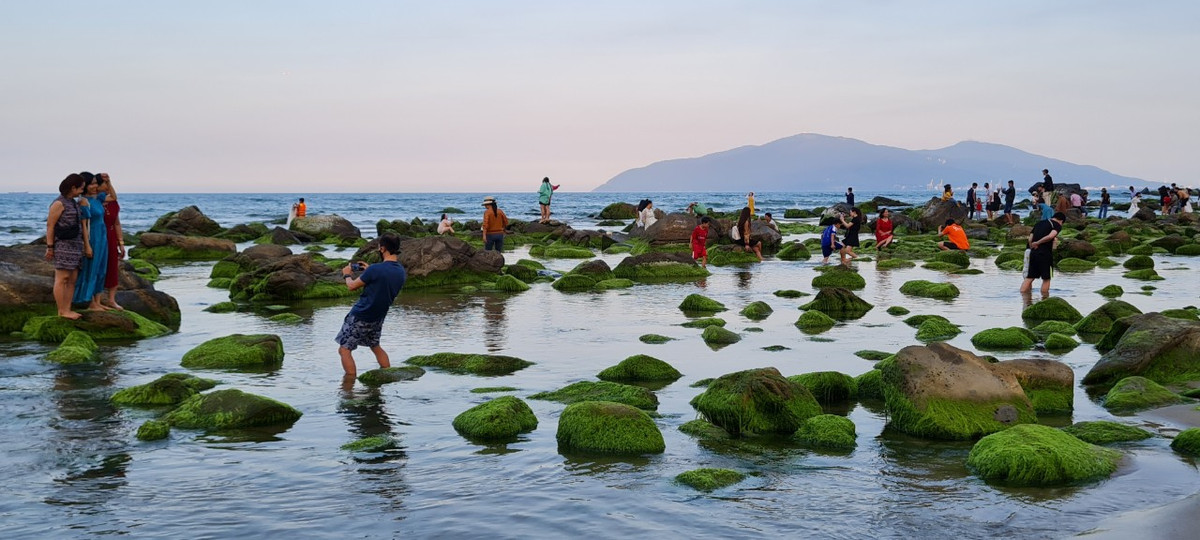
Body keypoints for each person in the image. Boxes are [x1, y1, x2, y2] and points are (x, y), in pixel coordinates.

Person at [335, 232, 407, 380]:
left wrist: (347, 274)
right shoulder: (400, 271)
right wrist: (369, 271)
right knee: (375, 346)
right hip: (378, 316)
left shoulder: (376, 269)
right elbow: (383, 279)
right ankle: (388, 375)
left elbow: (352, 286)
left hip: (361, 314)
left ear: (382, 249)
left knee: (344, 349)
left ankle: (349, 385)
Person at [45, 174, 88, 320]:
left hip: (75, 245)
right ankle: (62, 311)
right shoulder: (59, 203)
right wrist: (50, 247)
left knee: (72, 278)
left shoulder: (74, 202)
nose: (83, 190)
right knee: (62, 277)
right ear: (73, 187)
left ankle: (67, 309)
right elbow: (50, 226)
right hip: (63, 245)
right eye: (81, 187)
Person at [73, 173, 108, 310]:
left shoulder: (98, 199)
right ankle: (89, 302)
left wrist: (108, 181)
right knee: (91, 269)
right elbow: (84, 225)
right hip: (92, 237)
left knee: (101, 269)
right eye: (92, 183)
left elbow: (111, 194)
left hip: (102, 236)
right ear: (85, 186)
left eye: (96, 183)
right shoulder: (83, 201)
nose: (95, 186)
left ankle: (98, 302)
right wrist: (87, 245)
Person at [1020, 212, 1065, 296]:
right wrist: (1038, 242)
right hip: (1045, 254)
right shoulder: (1056, 225)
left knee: (1030, 277)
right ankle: (1044, 298)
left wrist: (1033, 246)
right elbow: (1051, 236)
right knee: (1047, 278)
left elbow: (1030, 239)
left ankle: (1023, 297)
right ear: (1061, 221)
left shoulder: (1039, 223)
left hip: (1033, 253)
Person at [99, 173, 125, 310]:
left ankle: (111, 300)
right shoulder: (94, 201)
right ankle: (95, 299)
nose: (106, 187)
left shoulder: (112, 202)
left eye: (108, 184)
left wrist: (120, 242)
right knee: (98, 266)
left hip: (111, 236)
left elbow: (116, 223)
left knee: (113, 266)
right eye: (103, 184)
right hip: (98, 235)